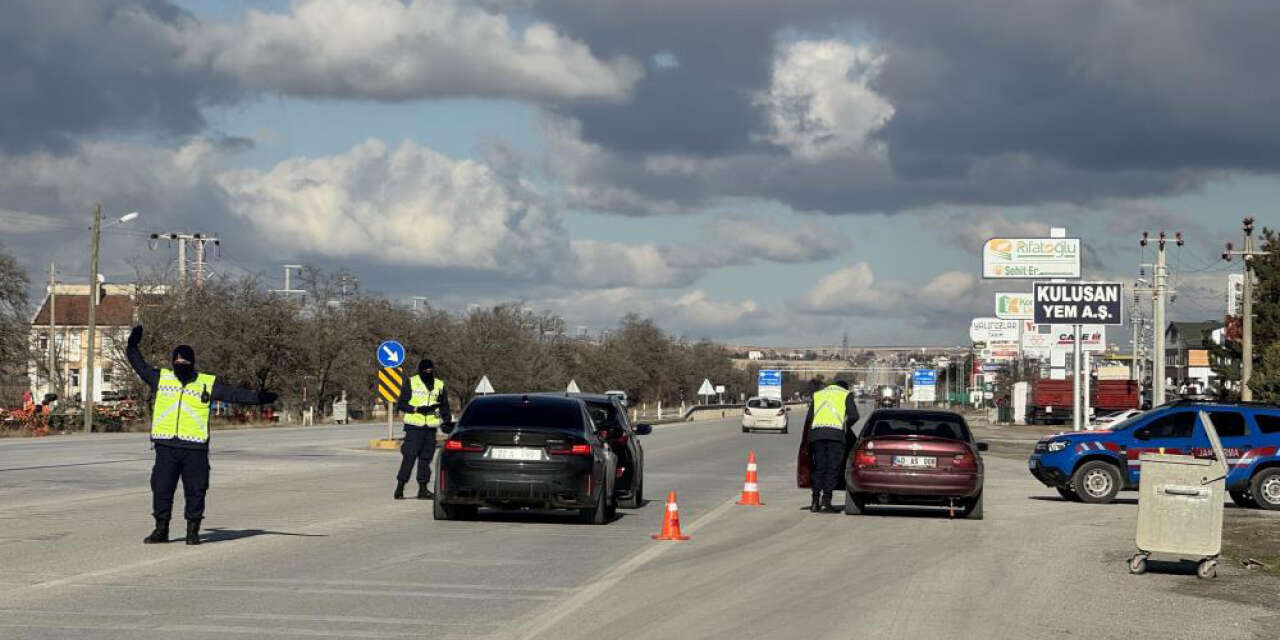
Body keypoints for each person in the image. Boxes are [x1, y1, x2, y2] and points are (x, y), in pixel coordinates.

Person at [126, 325, 278, 545]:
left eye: (184, 363)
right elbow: (138, 364)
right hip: (166, 446)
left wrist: (259, 398)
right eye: (177, 362)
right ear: (172, 362)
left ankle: (192, 531)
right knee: (161, 489)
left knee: (196, 490)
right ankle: (161, 529)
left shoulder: (207, 383)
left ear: (192, 363)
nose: (180, 366)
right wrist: (132, 345)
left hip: (195, 448)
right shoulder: (161, 379)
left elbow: (234, 394)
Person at [394, 358, 452, 500]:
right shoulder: (412, 382)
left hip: (430, 428)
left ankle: (423, 489)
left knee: (426, 459)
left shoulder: (439, 384)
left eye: (430, 370)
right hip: (414, 427)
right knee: (409, 457)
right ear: (420, 370)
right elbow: (401, 403)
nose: (428, 372)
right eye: (425, 370)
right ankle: (400, 487)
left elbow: (444, 405)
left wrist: (447, 421)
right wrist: (416, 409)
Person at [802, 379, 860, 513]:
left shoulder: (819, 394)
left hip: (817, 435)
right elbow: (854, 416)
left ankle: (815, 502)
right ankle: (826, 501)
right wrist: (845, 426)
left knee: (819, 467)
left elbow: (810, 417)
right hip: (835, 435)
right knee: (832, 468)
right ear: (844, 387)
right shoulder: (846, 394)